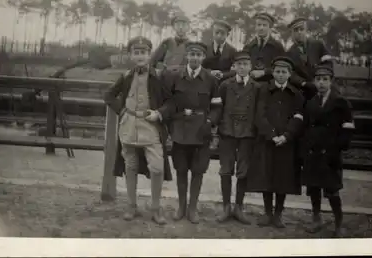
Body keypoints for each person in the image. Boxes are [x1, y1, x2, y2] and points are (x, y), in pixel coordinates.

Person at [104, 36, 174, 225]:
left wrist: (159, 113)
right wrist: (122, 110)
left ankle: (155, 208)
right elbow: (109, 95)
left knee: (157, 168)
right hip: (129, 126)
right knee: (130, 166)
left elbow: (171, 102)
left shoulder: (159, 76)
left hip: (151, 127)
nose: (140, 56)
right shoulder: (126, 76)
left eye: (144, 52)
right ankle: (132, 206)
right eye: (136, 52)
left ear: (149, 55)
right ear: (131, 55)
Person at [164, 40, 222, 224]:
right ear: (187, 56)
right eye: (192, 54)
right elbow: (169, 103)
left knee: (198, 171)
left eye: (198, 55)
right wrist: (171, 125)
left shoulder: (211, 80)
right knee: (181, 170)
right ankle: (181, 206)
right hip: (180, 130)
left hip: (201, 132)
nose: (195, 58)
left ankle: (192, 208)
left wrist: (209, 121)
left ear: (203, 57)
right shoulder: (175, 77)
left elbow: (217, 107)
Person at [247, 56, 305, 228]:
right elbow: (260, 115)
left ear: (290, 74)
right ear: (273, 73)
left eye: (284, 72)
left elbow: (298, 117)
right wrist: (271, 135)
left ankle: (278, 214)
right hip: (267, 141)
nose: (280, 75)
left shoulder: (296, 94)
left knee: (282, 178)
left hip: (286, 143)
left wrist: (286, 135)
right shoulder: (264, 90)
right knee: (267, 176)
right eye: (277, 72)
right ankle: (267, 213)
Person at [300, 64, 355, 238]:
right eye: (318, 80)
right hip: (313, 153)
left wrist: (338, 148)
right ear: (314, 82)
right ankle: (317, 219)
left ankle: (339, 223)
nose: (321, 83)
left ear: (331, 82)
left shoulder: (340, 102)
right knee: (314, 189)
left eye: (325, 80)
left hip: (330, 154)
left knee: (332, 191)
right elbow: (306, 127)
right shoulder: (311, 103)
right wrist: (306, 149)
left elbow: (347, 128)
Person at [216, 50, 262, 224]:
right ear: (234, 67)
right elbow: (219, 109)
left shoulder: (257, 87)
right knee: (225, 170)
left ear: (250, 67)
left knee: (243, 171)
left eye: (245, 65)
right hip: (227, 133)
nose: (242, 68)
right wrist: (218, 130)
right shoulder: (225, 85)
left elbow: (258, 112)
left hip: (247, 134)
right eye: (239, 65)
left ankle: (239, 207)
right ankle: (226, 207)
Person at [285, 17, 334, 100]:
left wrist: (320, 78)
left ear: (306, 30)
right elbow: (290, 73)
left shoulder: (318, 44)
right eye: (296, 30)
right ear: (292, 33)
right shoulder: (290, 52)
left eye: (301, 29)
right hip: (303, 88)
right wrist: (303, 83)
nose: (299, 32)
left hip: (322, 83)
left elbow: (328, 62)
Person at [243, 12, 286, 82]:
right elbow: (243, 64)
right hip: (251, 84)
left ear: (269, 27)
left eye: (264, 25)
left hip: (270, 85)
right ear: (255, 27)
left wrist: (264, 72)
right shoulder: (249, 46)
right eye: (259, 25)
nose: (261, 28)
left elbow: (283, 67)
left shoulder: (277, 46)